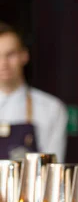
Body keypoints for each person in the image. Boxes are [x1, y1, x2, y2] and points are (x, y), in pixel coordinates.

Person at [0, 22, 68, 161]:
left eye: (10, 54)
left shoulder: (52, 108)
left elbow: (51, 169)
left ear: (24, 56)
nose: (3, 63)